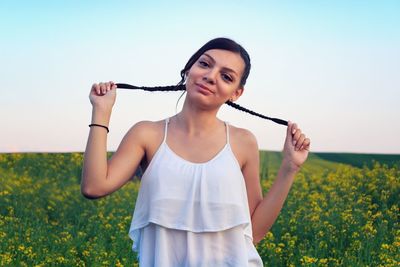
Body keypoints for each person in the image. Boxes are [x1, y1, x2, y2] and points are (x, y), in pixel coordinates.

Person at [81, 37, 311, 266]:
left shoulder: (243, 142)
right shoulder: (146, 134)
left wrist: (290, 167)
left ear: (236, 93)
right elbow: (94, 186)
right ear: (188, 69)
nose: (211, 76)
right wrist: (101, 112)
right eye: (204, 64)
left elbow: (255, 232)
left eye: (226, 76)